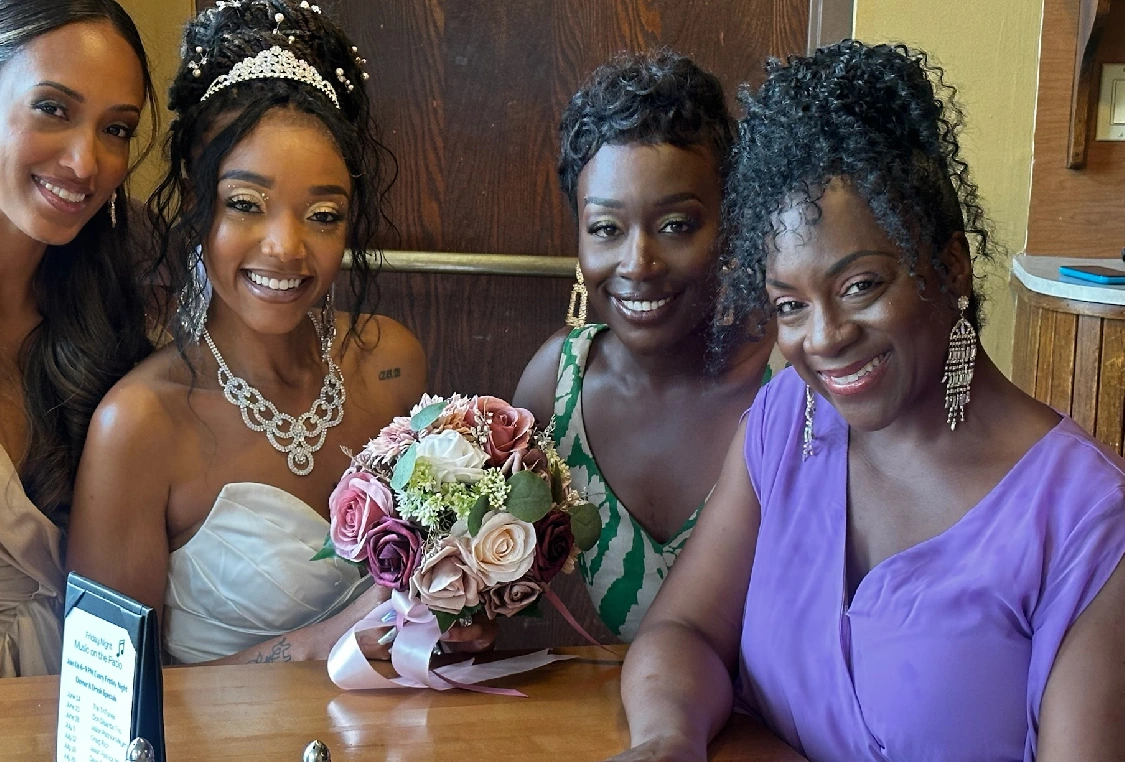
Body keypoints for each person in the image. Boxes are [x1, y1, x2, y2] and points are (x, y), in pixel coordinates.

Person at [610, 40, 1125, 761]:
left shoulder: (1085, 522)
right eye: (788, 305)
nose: (822, 339)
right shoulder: (787, 421)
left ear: (949, 267)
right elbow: (685, 632)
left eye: (860, 287)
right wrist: (667, 740)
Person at [67, 0, 492, 665]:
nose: (286, 248)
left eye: (323, 214)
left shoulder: (392, 362)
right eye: (245, 204)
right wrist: (326, 642)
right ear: (194, 203)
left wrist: (454, 607)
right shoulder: (141, 424)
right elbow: (110, 705)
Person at [513, 50, 774, 643]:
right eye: (606, 229)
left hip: (772, 733)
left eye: (677, 225)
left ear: (730, 224)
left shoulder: (788, 384)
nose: (639, 264)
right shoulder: (557, 385)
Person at [0, 0, 155, 677]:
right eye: (53, 109)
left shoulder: (112, 325)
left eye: (116, 128)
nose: (85, 163)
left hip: (68, 698)